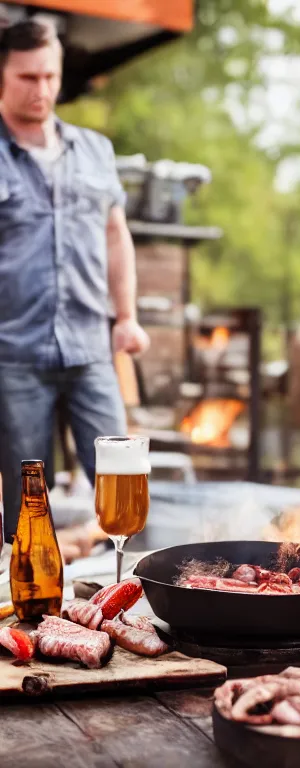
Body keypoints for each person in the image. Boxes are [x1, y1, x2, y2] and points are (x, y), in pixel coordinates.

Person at [0, 20, 149, 546]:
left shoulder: (94, 150)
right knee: (27, 507)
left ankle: (136, 604)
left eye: (49, 76)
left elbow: (115, 235)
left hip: (91, 350)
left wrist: (127, 317)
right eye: (27, 77)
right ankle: (27, 617)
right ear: (2, 75)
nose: (41, 89)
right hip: (14, 356)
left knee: (125, 492)